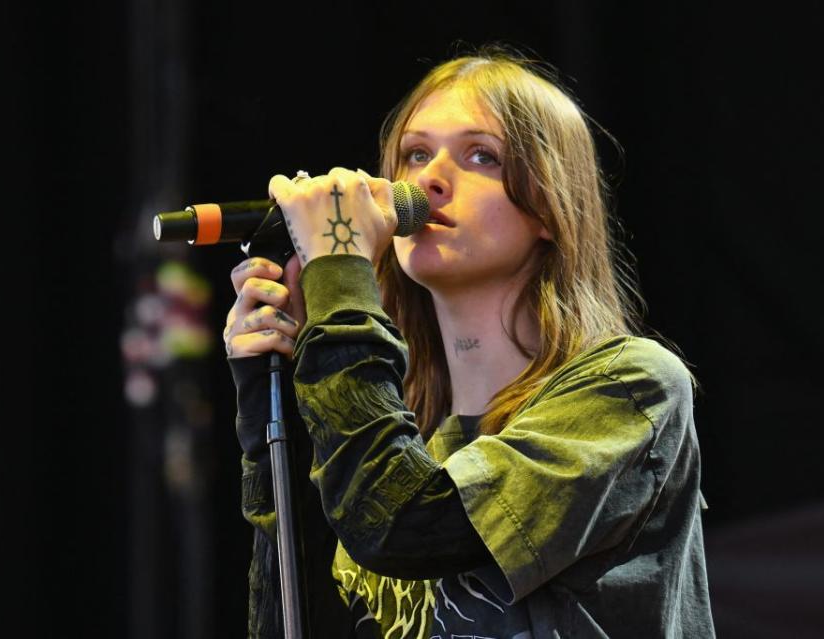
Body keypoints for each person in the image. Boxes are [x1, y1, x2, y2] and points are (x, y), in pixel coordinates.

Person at [224, 48, 715, 638]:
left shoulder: (630, 390)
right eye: (416, 154)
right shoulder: (391, 432)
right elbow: (288, 622)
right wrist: (276, 385)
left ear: (549, 207)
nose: (429, 179)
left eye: (481, 155)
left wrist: (342, 278)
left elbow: (403, 523)